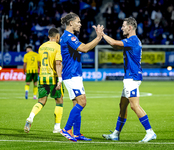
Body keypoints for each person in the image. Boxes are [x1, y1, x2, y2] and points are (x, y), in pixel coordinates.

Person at [101, 17, 157, 142]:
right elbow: (116, 46)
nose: (121, 28)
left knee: (134, 106)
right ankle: (116, 134)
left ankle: (150, 132)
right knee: (123, 105)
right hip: (130, 76)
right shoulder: (131, 41)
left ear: (130, 27)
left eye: (123, 26)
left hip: (132, 77)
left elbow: (115, 43)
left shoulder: (132, 40)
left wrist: (102, 35)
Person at [59, 12, 104, 142]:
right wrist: (98, 38)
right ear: (71, 23)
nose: (80, 24)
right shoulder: (69, 37)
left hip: (73, 75)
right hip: (72, 75)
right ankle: (66, 129)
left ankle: (77, 133)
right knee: (82, 102)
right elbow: (84, 48)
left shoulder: (68, 37)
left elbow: (81, 47)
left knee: (76, 104)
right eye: (78, 22)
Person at [24, 28, 64, 134]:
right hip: (53, 77)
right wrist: (60, 79)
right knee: (59, 101)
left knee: (41, 101)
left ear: (48, 36)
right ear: (57, 37)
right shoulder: (58, 47)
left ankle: (30, 117)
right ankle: (57, 127)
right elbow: (58, 63)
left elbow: (41, 63)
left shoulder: (41, 47)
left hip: (42, 77)